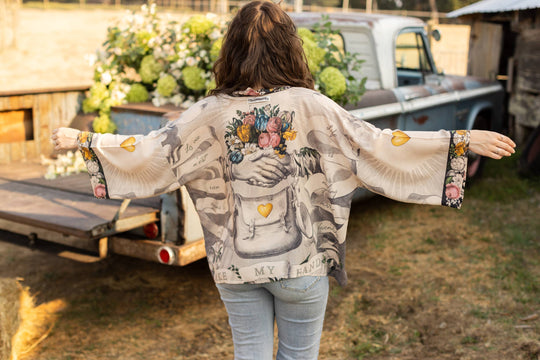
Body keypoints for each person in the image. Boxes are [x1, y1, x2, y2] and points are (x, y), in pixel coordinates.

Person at [52, 1, 516, 359]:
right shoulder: (313, 105)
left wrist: (83, 140)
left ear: (230, 51)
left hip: (235, 265)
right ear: (291, 48)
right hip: (303, 264)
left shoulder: (207, 112)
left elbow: (153, 151)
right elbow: (377, 144)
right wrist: (459, 140)